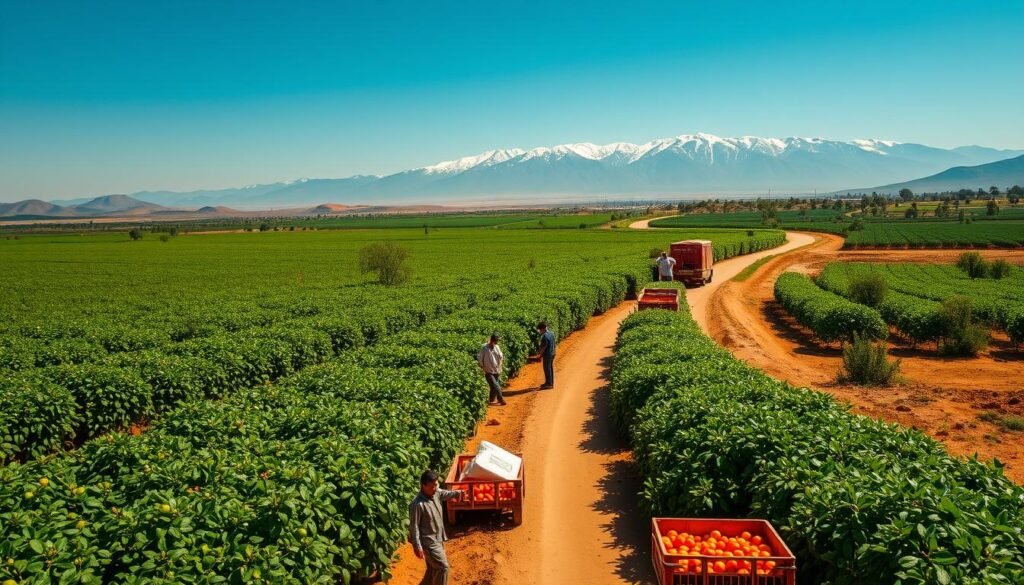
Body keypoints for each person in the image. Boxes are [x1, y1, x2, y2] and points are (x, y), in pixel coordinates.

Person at [408, 470, 466, 585]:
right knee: (442, 567)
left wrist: (459, 493)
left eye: (436, 484)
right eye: (432, 486)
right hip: (429, 543)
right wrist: (417, 546)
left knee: (432, 570)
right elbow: (414, 527)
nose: (435, 488)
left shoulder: (436, 493)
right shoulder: (417, 504)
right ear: (423, 486)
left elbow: (445, 493)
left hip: (438, 539)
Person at [477, 332, 505, 405]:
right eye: (494, 341)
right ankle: (501, 399)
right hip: (488, 371)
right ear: (491, 340)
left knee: (493, 386)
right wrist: (482, 368)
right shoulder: (484, 347)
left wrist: (500, 366)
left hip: (496, 370)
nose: (495, 343)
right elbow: (480, 358)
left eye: (496, 342)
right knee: (495, 384)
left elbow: (501, 357)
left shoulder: (497, 347)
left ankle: (491, 400)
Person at [536, 321, 556, 389]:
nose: (539, 331)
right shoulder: (551, 333)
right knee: (550, 368)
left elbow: (544, 347)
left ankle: (549, 384)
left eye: (540, 330)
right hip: (553, 353)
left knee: (547, 368)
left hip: (548, 354)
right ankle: (549, 382)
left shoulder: (545, 336)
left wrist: (539, 354)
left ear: (542, 329)